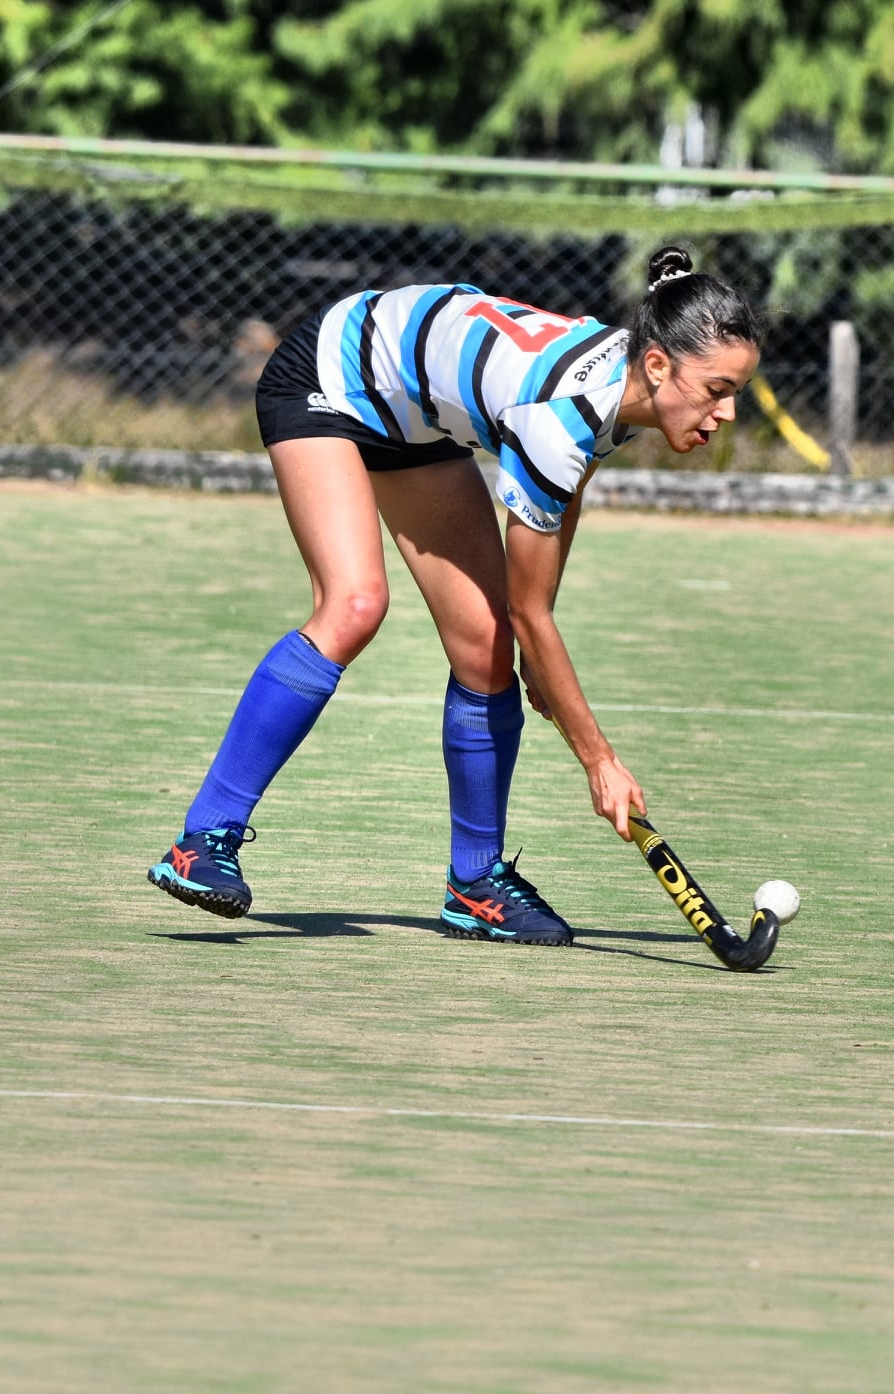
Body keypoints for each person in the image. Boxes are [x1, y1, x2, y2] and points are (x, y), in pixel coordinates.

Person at [148, 244, 765, 945]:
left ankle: (474, 884)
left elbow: (553, 528)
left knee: (489, 645)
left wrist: (534, 644)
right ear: (658, 365)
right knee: (355, 604)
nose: (728, 413)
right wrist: (600, 761)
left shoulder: (618, 389)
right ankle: (201, 839)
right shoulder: (558, 415)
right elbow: (534, 595)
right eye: (717, 389)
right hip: (332, 374)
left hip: (415, 416)